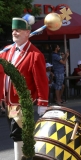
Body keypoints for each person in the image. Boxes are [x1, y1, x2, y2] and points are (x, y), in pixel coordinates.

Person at [0, 14, 49, 160]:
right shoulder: (6, 51)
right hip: (8, 101)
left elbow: (41, 80)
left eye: (19, 30)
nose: (15, 32)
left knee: (17, 135)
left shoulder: (35, 55)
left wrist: (42, 102)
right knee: (16, 135)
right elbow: (1, 76)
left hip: (23, 103)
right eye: (14, 30)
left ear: (27, 33)